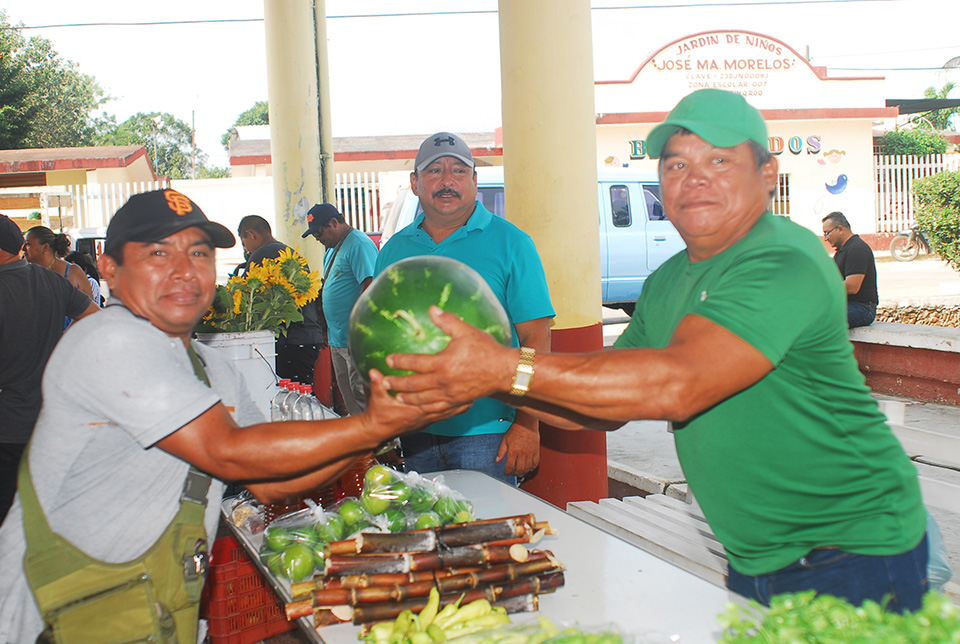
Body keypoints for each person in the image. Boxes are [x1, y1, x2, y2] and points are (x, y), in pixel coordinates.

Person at [381, 92, 927, 612]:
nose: (694, 180)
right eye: (675, 165)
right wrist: (479, 380)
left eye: (718, 160)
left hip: (853, 545)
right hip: (752, 550)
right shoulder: (668, 281)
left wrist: (498, 368)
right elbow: (607, 395)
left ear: (766, 174)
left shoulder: (787, 257)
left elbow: (678, 382)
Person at [0, 189, 446, 643]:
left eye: (199, 253)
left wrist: (377, 435)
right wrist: (381, 423)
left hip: (146, 608)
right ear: (111, 270)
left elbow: (273, 481)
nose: (184, 270)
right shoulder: (108, 341)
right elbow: (229, 453)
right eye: (158, 252)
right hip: (54, 618)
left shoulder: (213, 369)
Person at [375, 132, 555, 486]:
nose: (447, 181)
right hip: (413, 433)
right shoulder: (393, 251)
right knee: (424, 534)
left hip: (489, 435)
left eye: (459, 171)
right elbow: (384, 341)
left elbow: (534, 341)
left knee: (488, 536)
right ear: (414, 184)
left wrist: (527, 422)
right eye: (434, 171)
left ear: (474, 182)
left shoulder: (512, 244)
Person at [0, 215, 99, 524]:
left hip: (7, 429)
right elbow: (96, 317)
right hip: (51, 423)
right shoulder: (50, 279)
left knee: (9, 523)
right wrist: (61, 346)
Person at [302, 203, 378, 415]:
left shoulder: (358, 244)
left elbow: (371, 287)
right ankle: (362, 442)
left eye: (319, 232)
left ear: (334, 223)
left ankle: (380, 445)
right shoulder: (333, 249)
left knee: (363, 396)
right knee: (351, 398)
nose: (318, 238)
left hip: (356, 339)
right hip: (338, 340)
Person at [238, 215, 326, 385]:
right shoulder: (290, 253)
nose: (247, 250)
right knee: (301, 393)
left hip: (290, 341)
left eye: (244, 243)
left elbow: (248, 298)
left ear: (251, 234)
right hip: (307, 338)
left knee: (291, 397)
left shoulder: (260, 257)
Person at [822, 211, 878, 328]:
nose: (826, 238)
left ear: (840, 229)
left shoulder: (857, 249)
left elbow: (851, 287)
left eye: (827, 233)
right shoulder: (841, 251)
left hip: (862, 308)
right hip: (846, 304)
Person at [22, 226, 95, 301]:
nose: (23, 248)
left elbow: (92, 309)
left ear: (45, 247)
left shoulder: (73, 272)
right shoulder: (25, 274)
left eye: (28, 244)